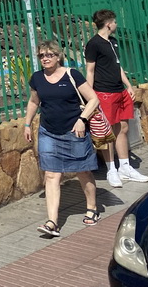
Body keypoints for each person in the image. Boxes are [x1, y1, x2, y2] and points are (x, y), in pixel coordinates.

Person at [23, 39, 101, 238]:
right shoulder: (37, 78)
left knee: (82, 171)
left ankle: (92, 207)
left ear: (58, 56)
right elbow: (34, 102)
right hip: (49, 131)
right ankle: (52, 222)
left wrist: (82, 120)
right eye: (42, 55)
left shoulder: (72, 74)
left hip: (75, 131)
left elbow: (93, 99)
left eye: (49, 55)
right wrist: (27, 123)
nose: (45, 58)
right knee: (51, 175)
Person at [85, 9, 148, 188]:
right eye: (114, 21)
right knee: (108, 131)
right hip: (104, 93)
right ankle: (111, 168)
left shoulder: (113, 42)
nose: (116, 24)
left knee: (123, 127)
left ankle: (125, 167)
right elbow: (89, 70)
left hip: (119, 91)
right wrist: (90, 96)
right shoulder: (93, 44)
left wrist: (128, 86)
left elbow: (117, 66)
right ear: (108, 24)